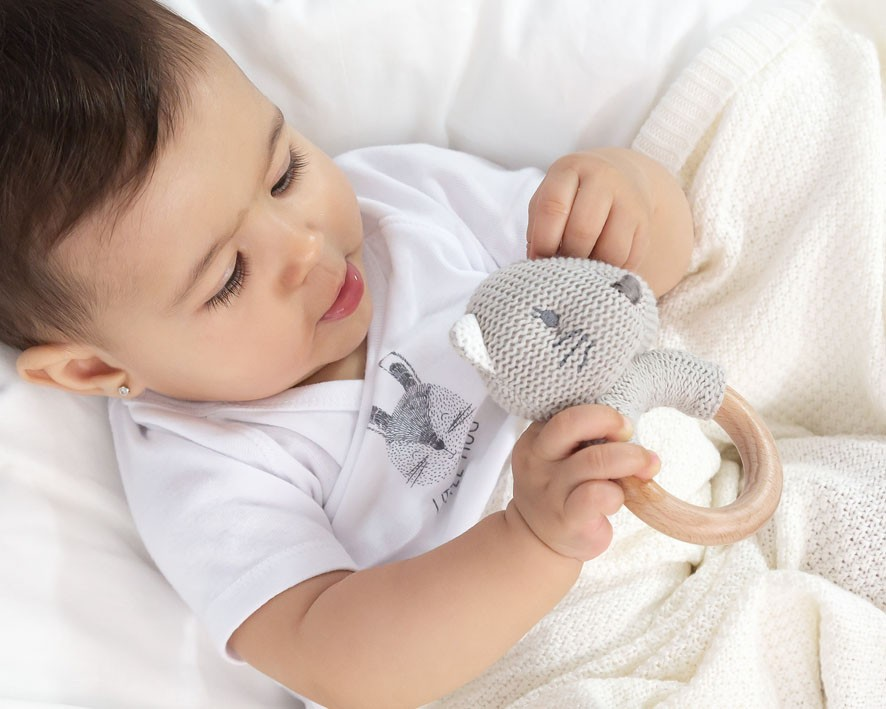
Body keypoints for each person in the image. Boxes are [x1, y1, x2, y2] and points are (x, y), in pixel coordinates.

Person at [1, 1, 694, 706]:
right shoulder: (206, 464)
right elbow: (338, 663)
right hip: (552, 654)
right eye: (229, 276)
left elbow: (641, 283)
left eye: (283, 173)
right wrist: (530, 540)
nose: (305, 244)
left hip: (688, 475)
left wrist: (630, 197)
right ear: (93, 370)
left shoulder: (402, 204)